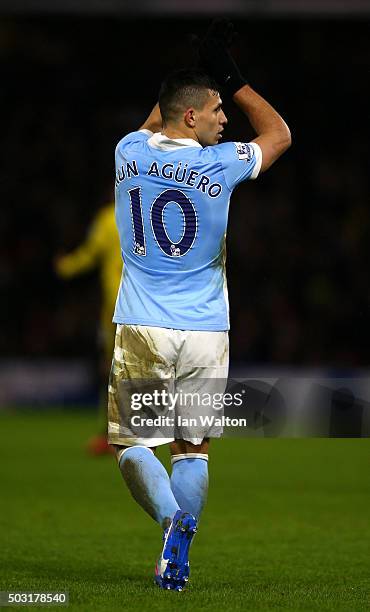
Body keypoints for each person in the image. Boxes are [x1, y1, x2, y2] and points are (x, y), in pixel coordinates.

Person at [108, 21, 291, 591]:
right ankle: (178, 543)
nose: (224, 117)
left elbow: (157, 118)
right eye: (215, 109)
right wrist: (228, 73)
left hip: (142, 323)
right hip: (208, 329)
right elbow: (279, 133)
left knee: (134, 444)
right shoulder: (221, 164)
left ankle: (171, 522)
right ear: (192, 117)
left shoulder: (128, 151)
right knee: (194, 448)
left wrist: (191, 79)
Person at [55, 201, 122, 454]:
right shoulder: (149, 208)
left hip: (116, 304)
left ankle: (110, 434)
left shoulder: (108, 218)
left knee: (113, 369)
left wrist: (66, 266)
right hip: (147, 302)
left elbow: (90, 254)